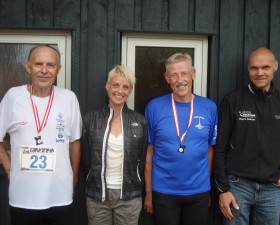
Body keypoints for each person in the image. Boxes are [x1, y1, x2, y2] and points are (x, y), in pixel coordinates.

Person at [213, 47, 280, 225]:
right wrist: (223, 189)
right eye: (254, 68)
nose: (259, 73)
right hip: (237, 186)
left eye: (265, 67)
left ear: (275, 66)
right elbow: (220, 147)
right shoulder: (233, 100)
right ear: (248, 69)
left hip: (272, 188)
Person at [0, 44, 82, 225]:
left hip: (59, 193)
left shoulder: (69, 98)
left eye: (50, 65)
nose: (44, 70)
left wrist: (74, 178)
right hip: (23, 195)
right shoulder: (13, 97)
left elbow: (74, 142)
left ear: (58, 69)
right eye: (38, 64)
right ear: (28, 67)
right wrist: (9, 167)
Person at [144, 53, 218, 225]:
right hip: (163, 191)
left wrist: (205, 189)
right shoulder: (154, 107)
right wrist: (148, 193)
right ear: (167, 78)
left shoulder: (209, 107)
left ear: (193, 73)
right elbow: (149, 153)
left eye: (184, 73)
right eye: (174, 75)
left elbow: (210, 150)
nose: (180, 79)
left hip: (198, 192)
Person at [82, 65, 148, 225]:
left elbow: (143, 157)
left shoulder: (139, 121)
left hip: (129, 196)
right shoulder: (90, 120)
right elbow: (86, 157)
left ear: (130, 90)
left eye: (125, 87)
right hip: (98, 195)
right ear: (107, 85)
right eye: (115, 85)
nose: (120, 91)